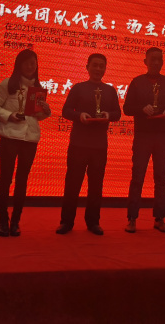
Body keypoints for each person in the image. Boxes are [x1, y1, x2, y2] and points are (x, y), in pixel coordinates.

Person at [56, 53, 121, 236]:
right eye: (95, 65)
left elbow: (117, 114)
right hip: (78, 143)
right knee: (72, 184)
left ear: (105, 69)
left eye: (101, 66)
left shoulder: (110, 91)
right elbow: (66, 111)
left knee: (96, 186)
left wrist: (108, 116)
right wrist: (79, 116)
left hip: (99, 146)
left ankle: (93, 222)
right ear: (87, 67)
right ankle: (66, 222)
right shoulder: (78, 88)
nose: (98, 69)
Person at [0, 49, 51, 237]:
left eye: (34, 63)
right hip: (9, 137)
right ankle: (2, 221)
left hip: (30, 139)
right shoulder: (8, 84)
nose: (31, 66)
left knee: (22, 181)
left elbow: (35, 117)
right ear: (19, 65)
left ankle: (15, 221)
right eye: (27, 63)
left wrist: (46, 112)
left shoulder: (37, 88)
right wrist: (10, 115)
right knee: (6, 179)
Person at [123, 47, 165, 233]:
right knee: (137, 176)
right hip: (143, 135)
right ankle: (132, 218)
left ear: (162, 62)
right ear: (145, 62)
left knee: (161, 178)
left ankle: (159, 218)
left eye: (159, 59)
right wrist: (141, 109)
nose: (156, 62)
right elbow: (127, 108)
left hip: (163, 135)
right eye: (152, 59)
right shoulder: (137, 82)